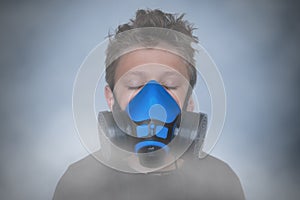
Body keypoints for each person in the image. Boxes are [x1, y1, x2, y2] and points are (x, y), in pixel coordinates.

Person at [53, 9, 245, 200]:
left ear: (190, 102)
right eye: (135, 85)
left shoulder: (220, 184)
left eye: (169, 86)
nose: (153, 102)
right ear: (110, 99)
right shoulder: (79, 185)